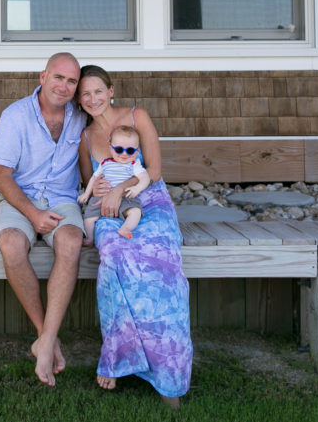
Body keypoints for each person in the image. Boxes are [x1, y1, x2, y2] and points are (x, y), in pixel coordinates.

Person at [76, 64, 192, 407]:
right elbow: (89, 183)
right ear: (79, 101)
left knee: (162, 263)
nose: (92, 98)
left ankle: (169, 375)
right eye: (85, 94)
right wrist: (102, 196)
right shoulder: (84, 138)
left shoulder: (136, 116)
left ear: (111, 91)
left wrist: (122, 189)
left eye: (98, 91)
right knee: (114, 257)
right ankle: (117, 357)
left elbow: (154, 172)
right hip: (110, 212)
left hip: (150, 202)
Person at [0, 52, 86, 387]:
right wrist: (31, 213)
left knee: (72, 241)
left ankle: (44, 342)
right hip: (19, 197)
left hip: (62, 198)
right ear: (43, 76)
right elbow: (1, 175)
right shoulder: (15, 116)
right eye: (58, 77)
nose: (64, 86)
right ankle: (46, 335)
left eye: (72, 81)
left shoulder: (79, 115)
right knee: (12, 245)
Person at [77, 124, 151, 243]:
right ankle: (90, 238)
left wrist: (137, 188)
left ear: (137, 151)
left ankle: (125, 229)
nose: (124, 154)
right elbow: (93, 178)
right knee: (89, 218)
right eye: (119, 149)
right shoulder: (105, 163)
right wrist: (86, 194)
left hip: (125, 198)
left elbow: (145, 177)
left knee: (135, 212)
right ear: (111, 148)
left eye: (130, 150)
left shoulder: (133, 165)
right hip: (100, 198)